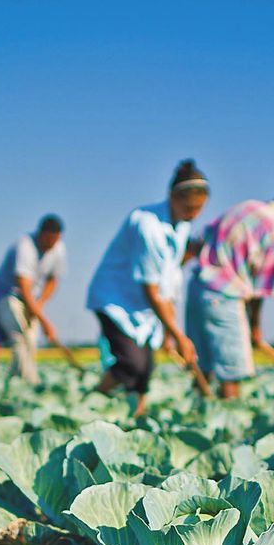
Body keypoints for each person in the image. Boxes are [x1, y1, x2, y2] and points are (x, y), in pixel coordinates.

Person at [86, 159, 209, 417]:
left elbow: (169, 280)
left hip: (146, 309)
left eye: (199, 209)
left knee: (145, 370)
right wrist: (178, 335)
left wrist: (169, 331)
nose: (194, 214)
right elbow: (150, 289)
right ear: (172, 197)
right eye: (189, 207)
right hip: (116, 300)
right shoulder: (147, 225)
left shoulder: (182, 225)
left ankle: (136, 415)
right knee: (131, 363)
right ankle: (89, 403)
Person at [185, 178, 274, 398]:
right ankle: (228, 424)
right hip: (224, 295)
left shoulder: (246, 207)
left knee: (202, 369)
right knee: (232, 371)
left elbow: (197, 242)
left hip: (196, 289)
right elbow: (262, 287)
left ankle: (194, 420)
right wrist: (255, 327)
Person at [0, 215, 67, 385]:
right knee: (19, 336)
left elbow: (53, 280)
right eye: (50, 240)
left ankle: (16, 379)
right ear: (41, 234)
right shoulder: (25, 246)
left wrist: (40, 304)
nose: (52, 245)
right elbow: (23, 285)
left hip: (32, 298)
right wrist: (45, 322)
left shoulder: (58, 247)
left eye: (56, 241)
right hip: (8, 295)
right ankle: (27, 382)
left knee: (31, 339)